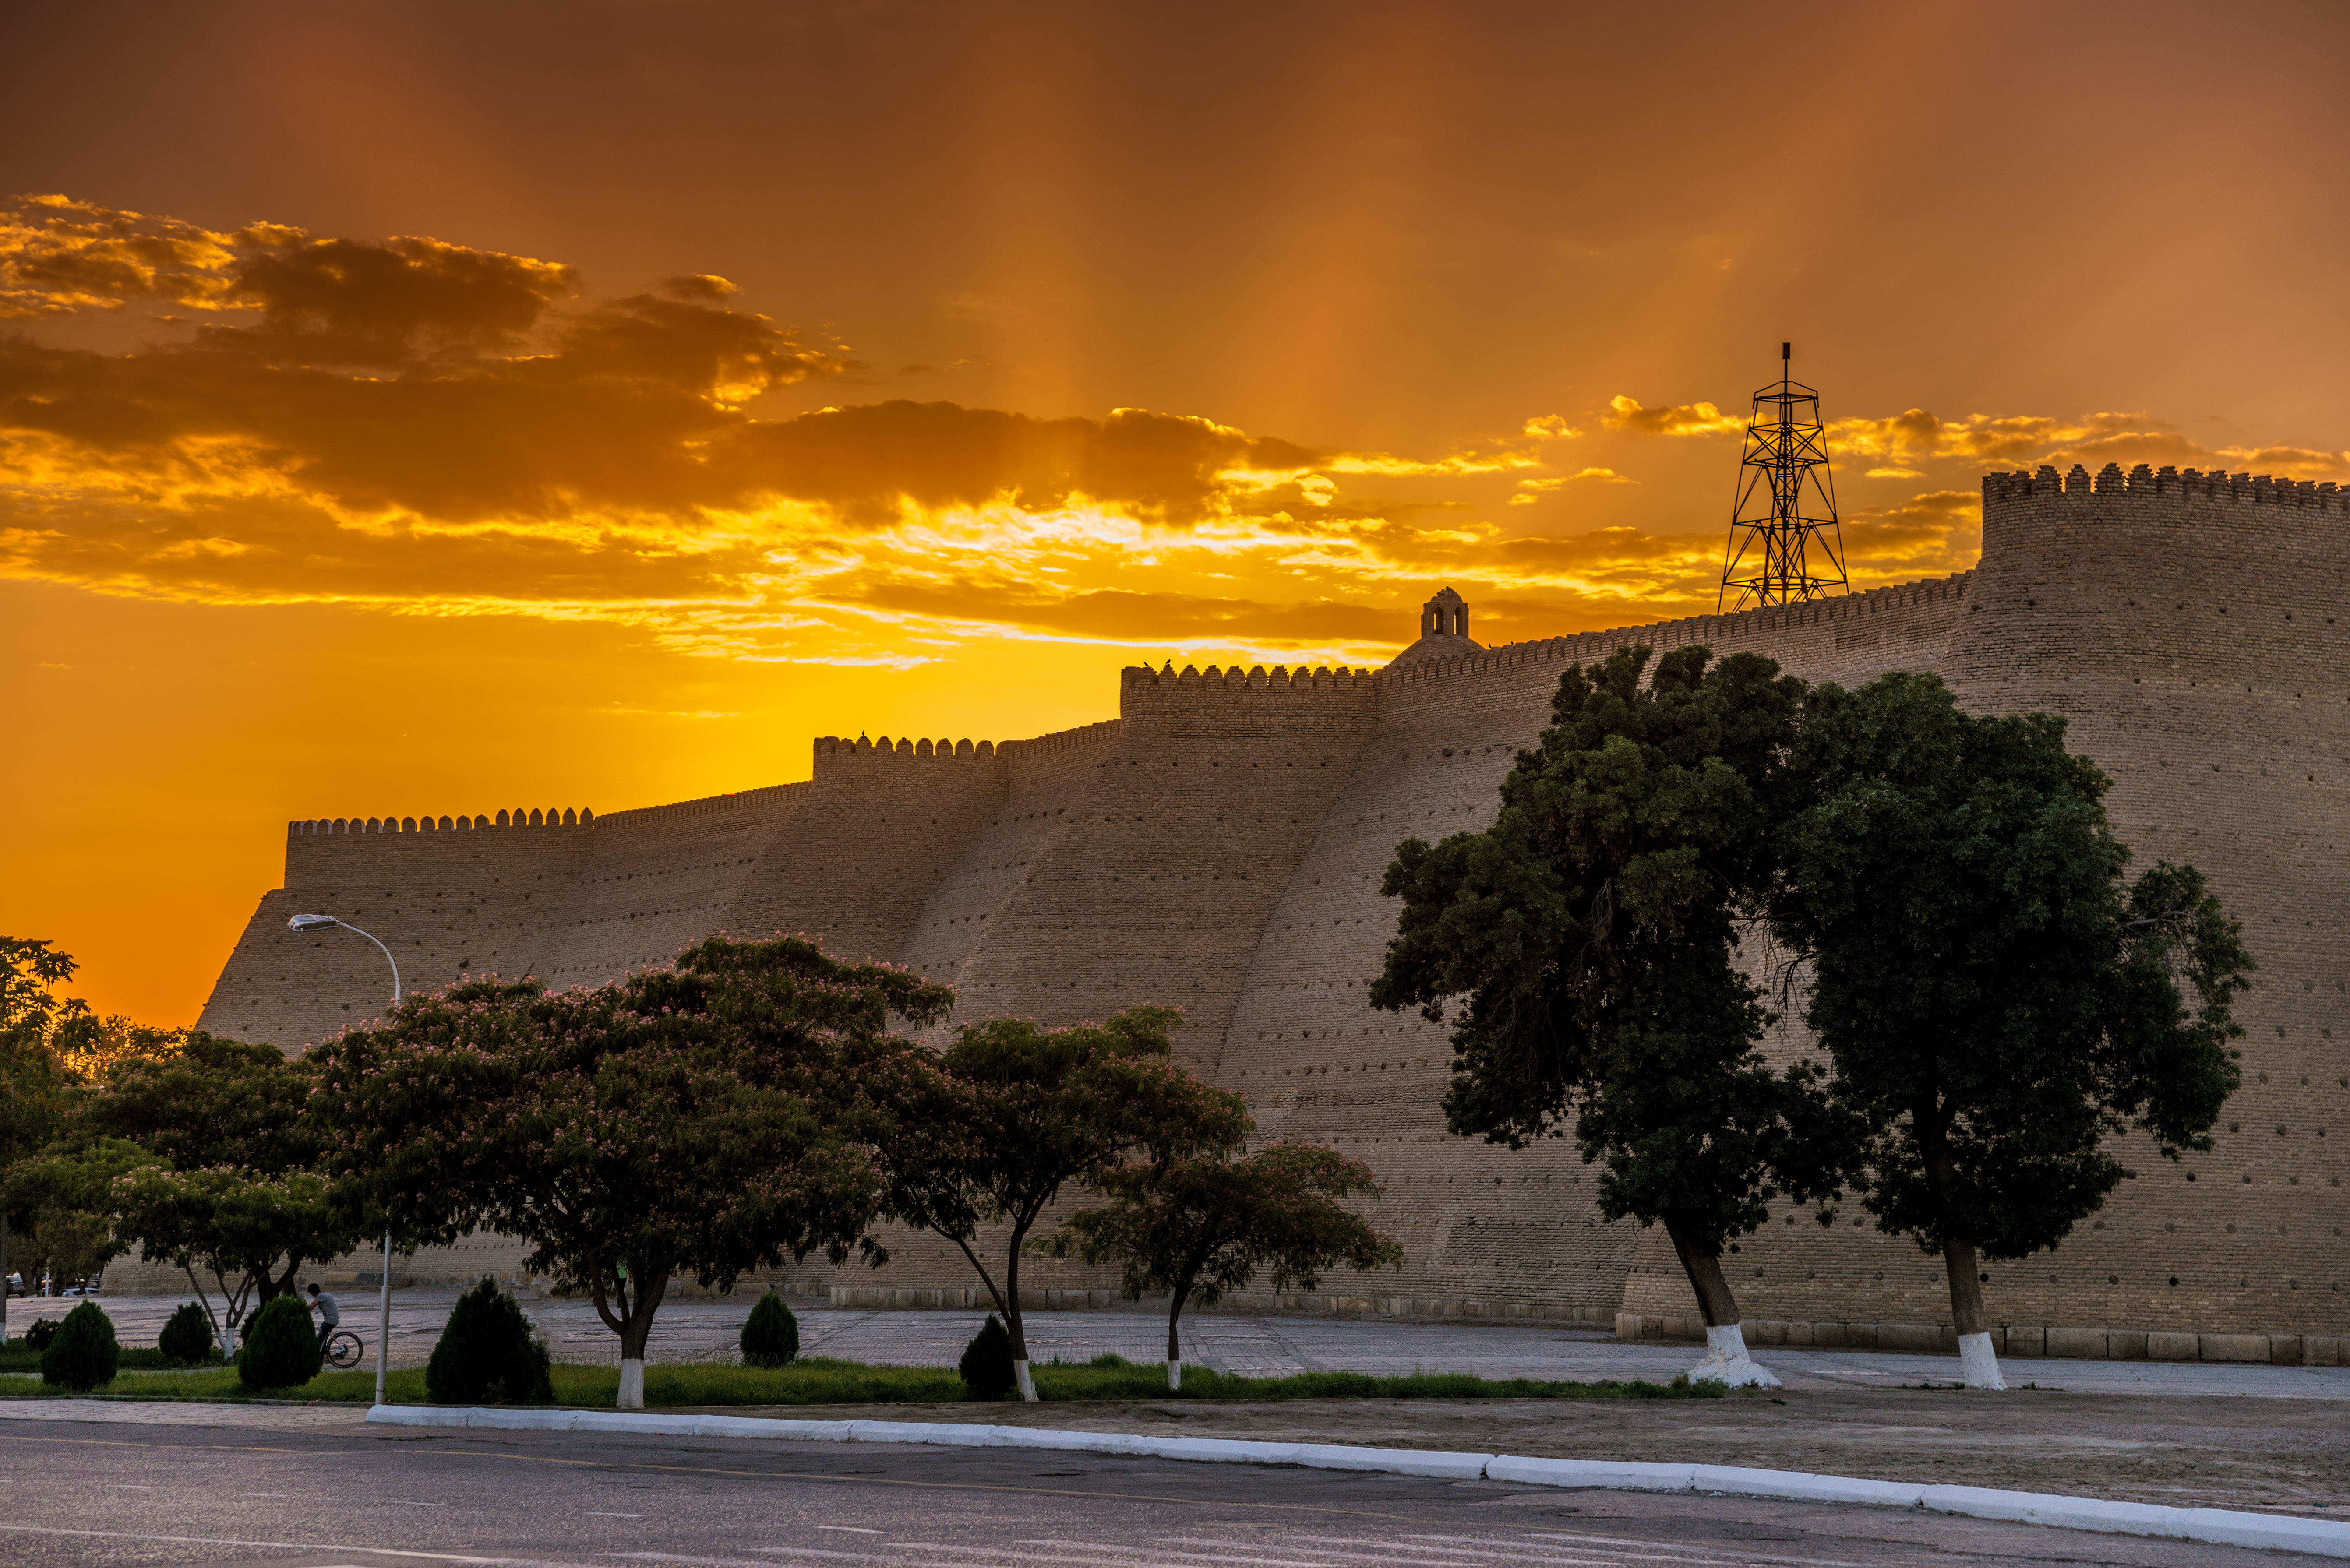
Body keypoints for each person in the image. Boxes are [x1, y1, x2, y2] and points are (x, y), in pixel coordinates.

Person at [306, 1283, 341, 1352]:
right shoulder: (325, 1294)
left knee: (319, 1341)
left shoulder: (320, 1296)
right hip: (334, 1319)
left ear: (312, 1293)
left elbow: (311, 1307)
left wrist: (300, 1309)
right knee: (323, 1340)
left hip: (330, 1321)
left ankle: (318, 1358)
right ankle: (322, 1355)